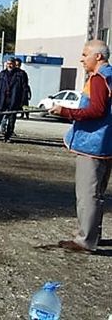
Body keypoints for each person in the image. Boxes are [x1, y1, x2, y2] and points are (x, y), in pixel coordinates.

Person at [49, 40, 111, 253]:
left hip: (93, 145)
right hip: (105, 144)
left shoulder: (99, 79)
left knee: (87, 194)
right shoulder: (109, 76)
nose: (82, 59)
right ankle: (92, 235)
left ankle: (85, 240)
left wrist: (65, 112)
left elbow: (97, 111)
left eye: (85, 55)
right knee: (96, 193)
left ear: (98, 57)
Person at [0, 58, 23, 142]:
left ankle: (8, 136)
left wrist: (22, 102)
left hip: (14, 100)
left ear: (14, 64)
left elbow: (24, 89)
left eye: (11, 63)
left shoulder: (20, 74)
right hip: (2, 99)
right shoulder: (2, 74)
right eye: (8, 63)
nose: (9, 65)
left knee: (11, 120)